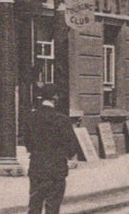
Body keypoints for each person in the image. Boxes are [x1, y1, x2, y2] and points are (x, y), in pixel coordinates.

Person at [24, 84, 80, 214]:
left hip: (37, 167)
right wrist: (68, 157)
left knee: (34, 206)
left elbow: (27, 142)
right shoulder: (62, 119)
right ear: (55, 97)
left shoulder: (31, 118)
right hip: (56, 168)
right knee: (53, 207)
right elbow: (72, 146)